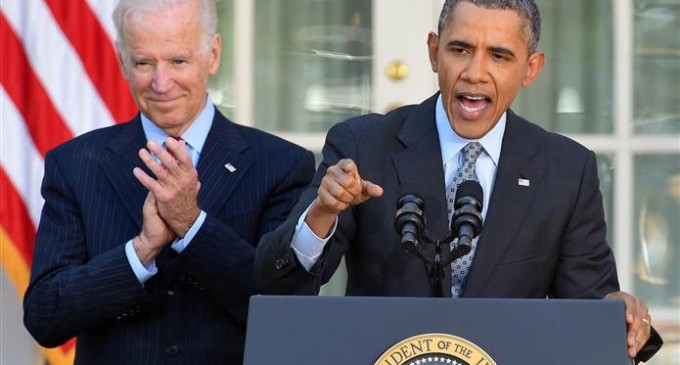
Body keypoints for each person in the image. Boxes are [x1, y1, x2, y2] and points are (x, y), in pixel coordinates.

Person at [254, 0, 662, 362]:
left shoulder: (566, 170)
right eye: (460, 49)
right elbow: (278, 285)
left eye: (499, 56)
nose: (475, 72)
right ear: (434, 52)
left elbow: (590, 306)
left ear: (531, 69)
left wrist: (617, 313)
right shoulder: (363, 146)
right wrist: (322, 213)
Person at [23, 0, 314, 363]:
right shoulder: (75, 164)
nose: (161, 83)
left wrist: (191, 226)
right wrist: (141, 250)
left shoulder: (281, 165)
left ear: (213, 54)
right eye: (144, 63)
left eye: (178, 61)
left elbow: (283, 311)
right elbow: (45, 316)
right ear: (122, 60)